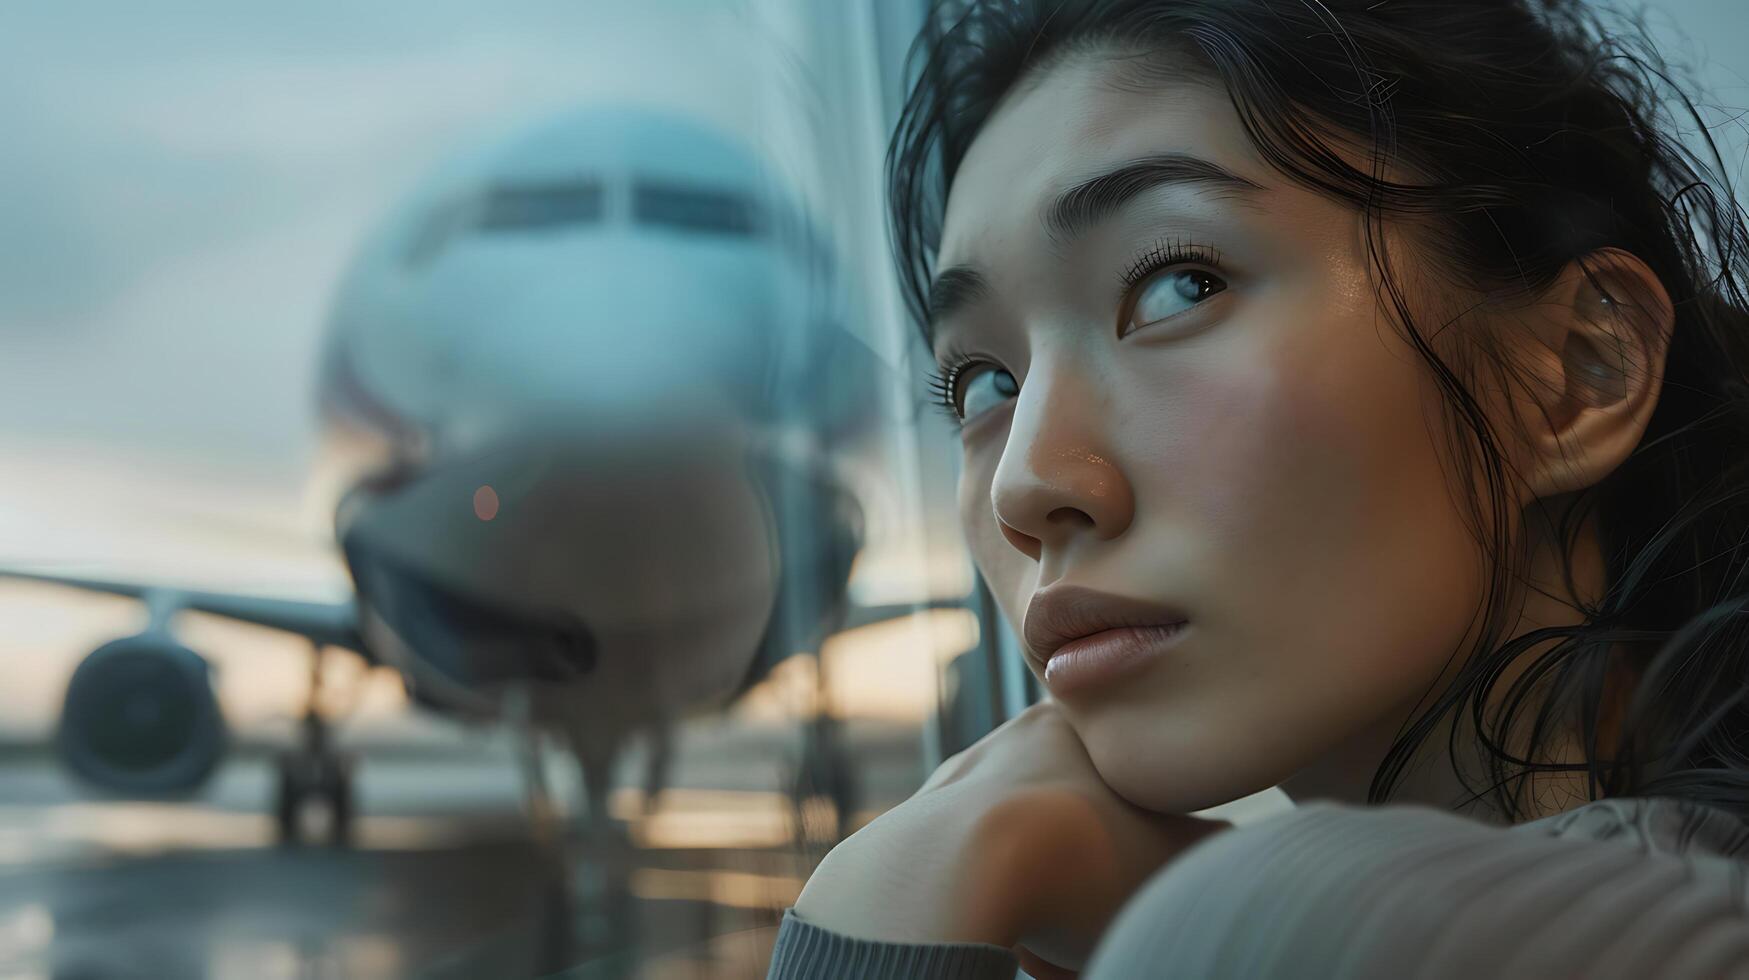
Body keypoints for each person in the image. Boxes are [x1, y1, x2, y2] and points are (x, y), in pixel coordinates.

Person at [766, 0, 1749, 976]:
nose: (1024, 484)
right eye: (986, 383)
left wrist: (901, 892)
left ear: (1579, 372)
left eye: (1178, 286)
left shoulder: (1262, 921)